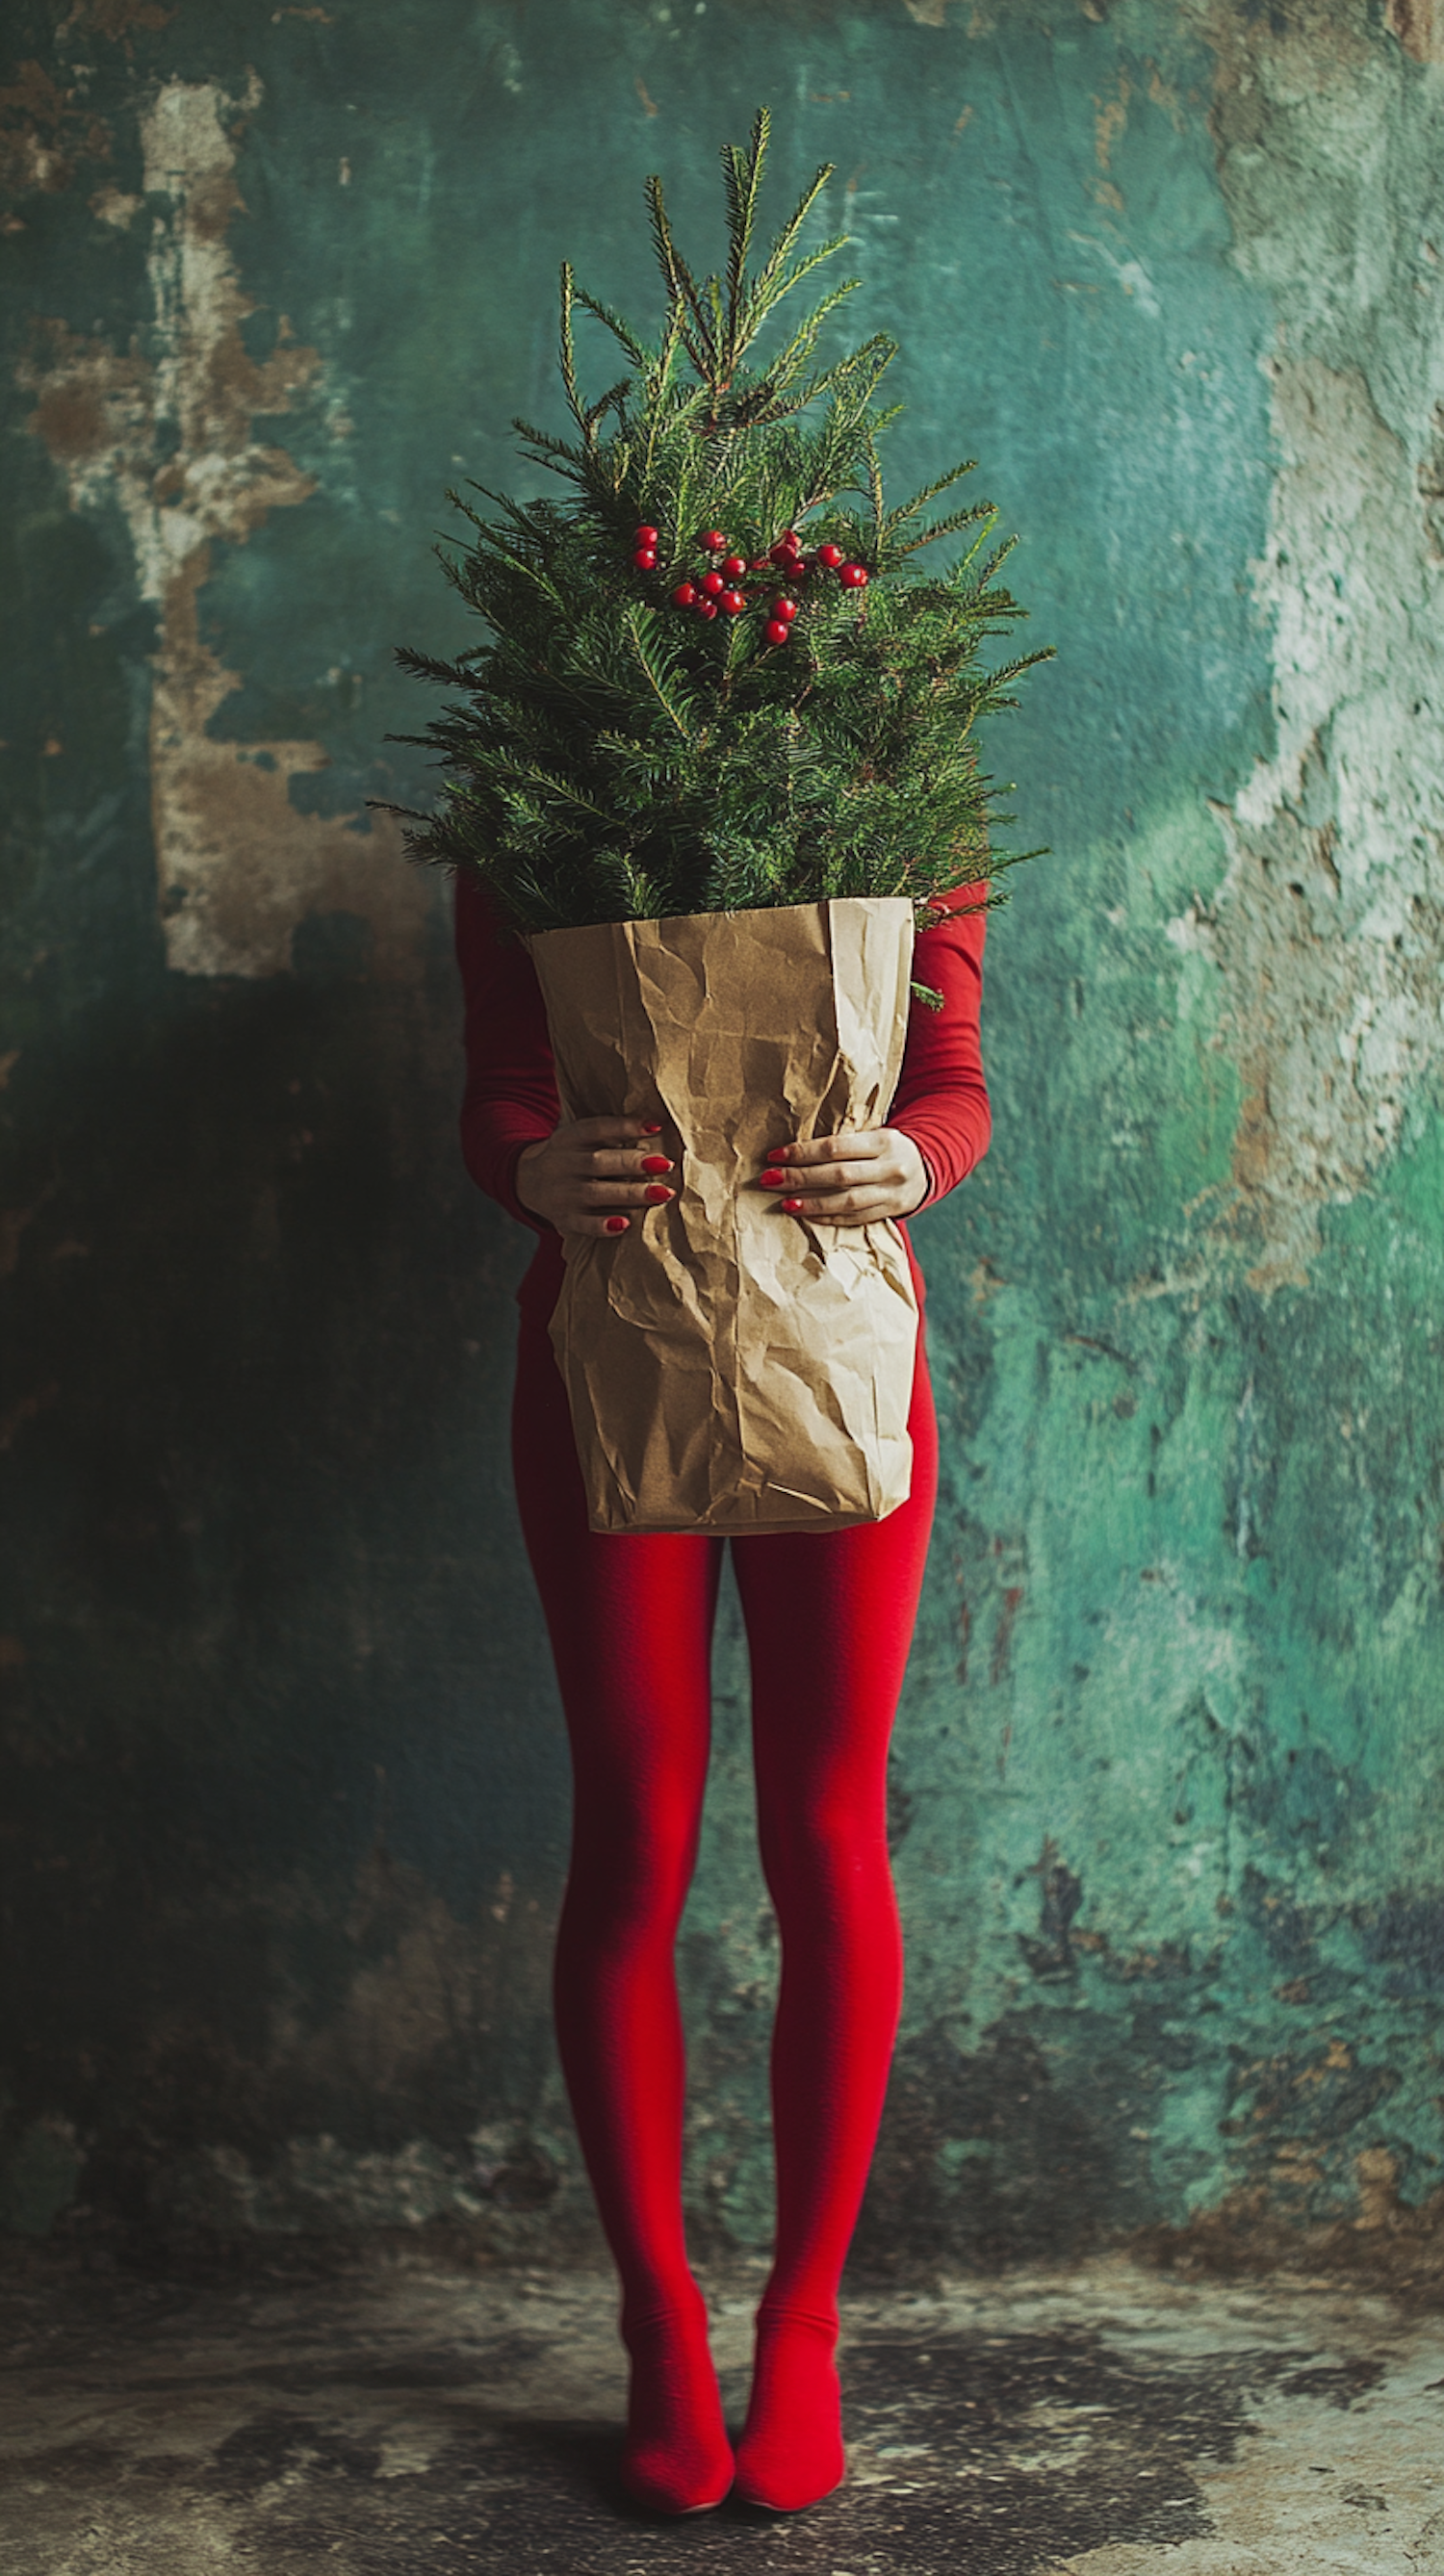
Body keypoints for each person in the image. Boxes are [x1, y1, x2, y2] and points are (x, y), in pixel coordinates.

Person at [453, 870, 992, 2515]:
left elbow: (954, 1075)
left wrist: (918, 1159)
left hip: (840, 1351)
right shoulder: (542, 800)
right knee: (631, 1839)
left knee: (829, 1835)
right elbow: (499, 1078)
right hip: (604, 1356)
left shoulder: (900, 783)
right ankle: (659, 2322)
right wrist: (527, 1164)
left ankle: (804, 2326)